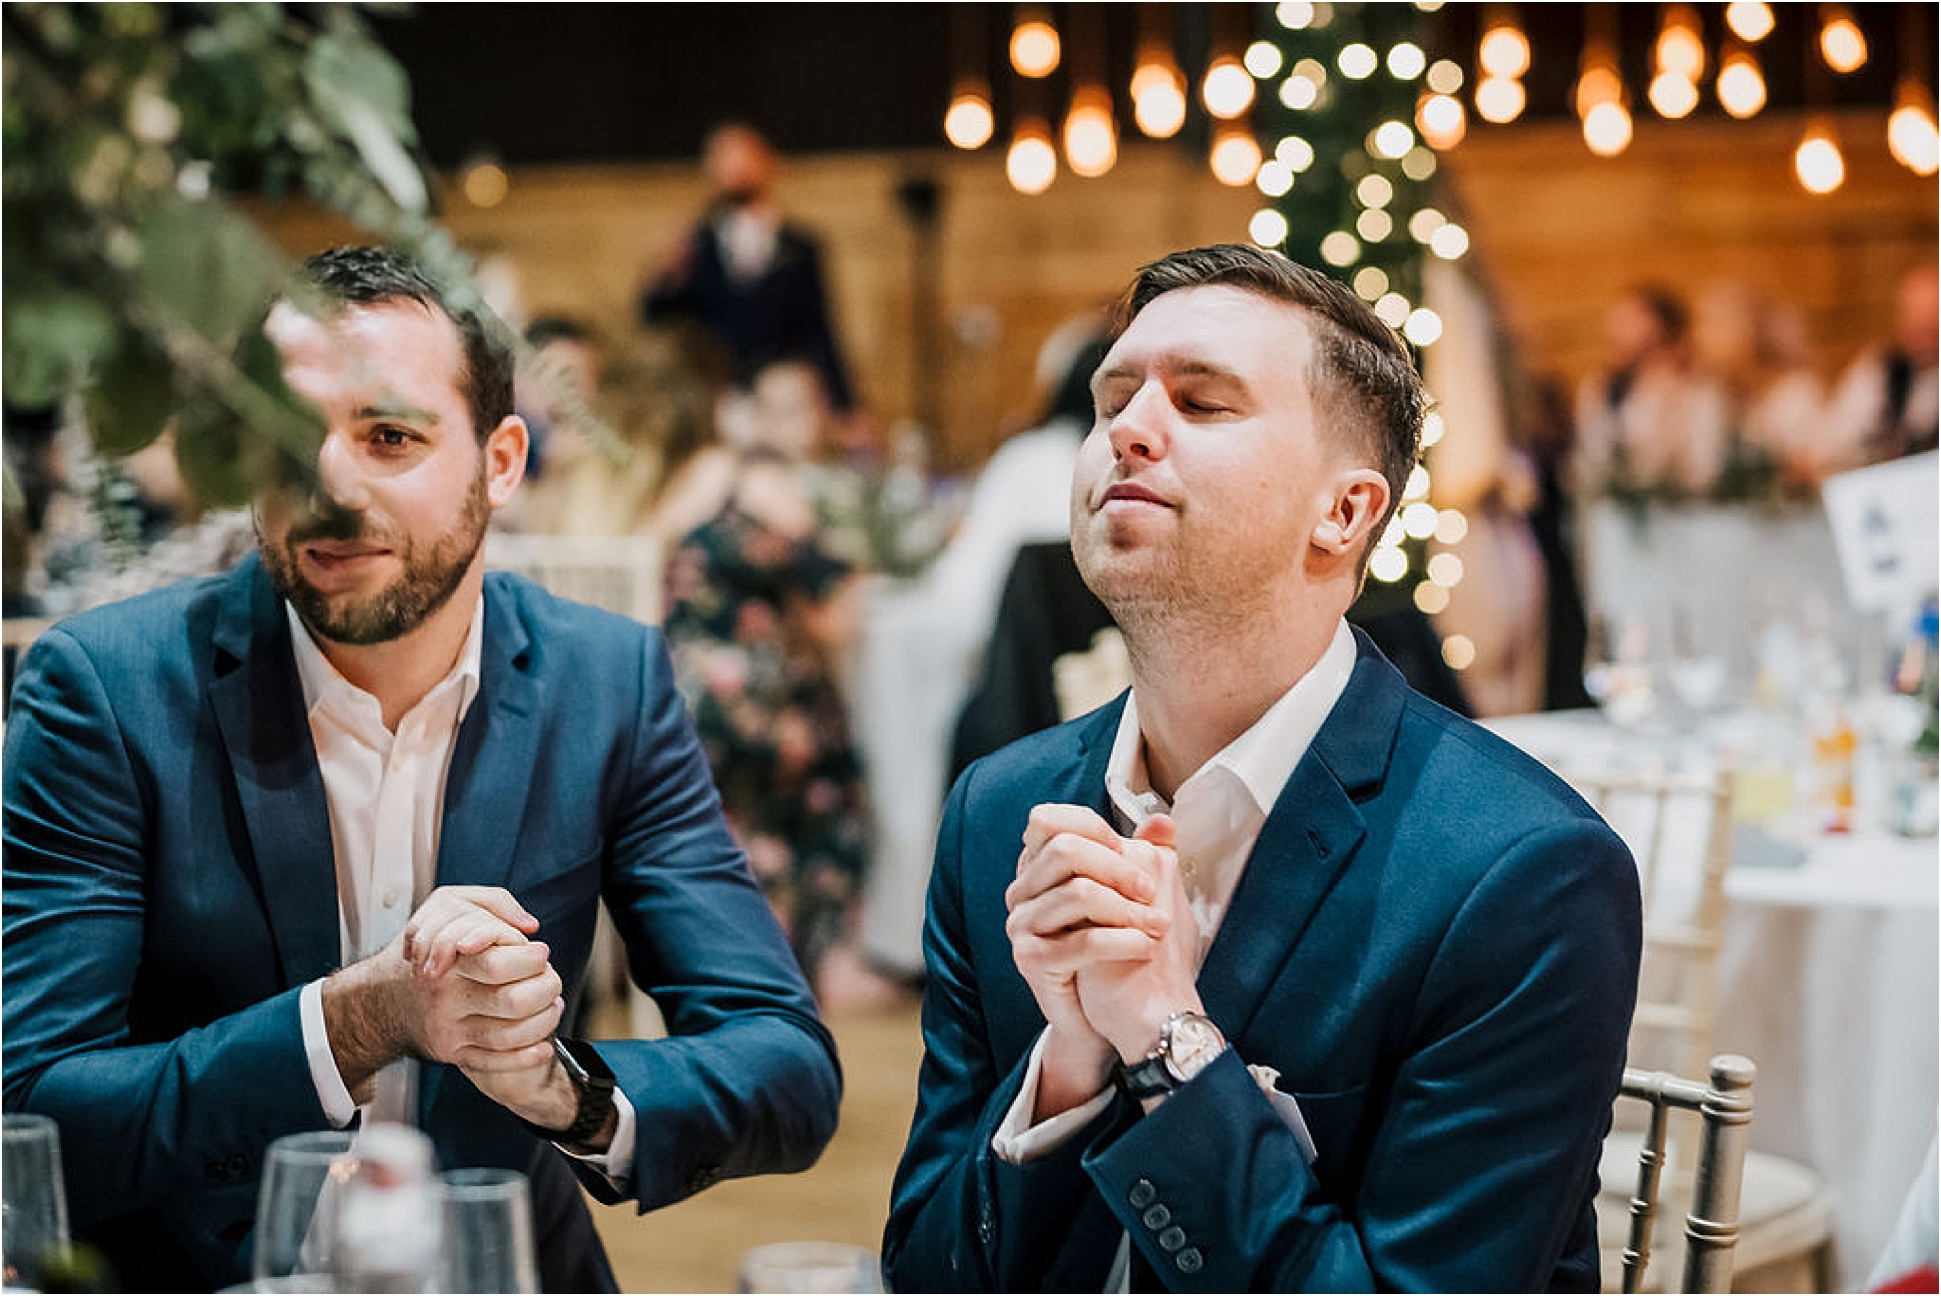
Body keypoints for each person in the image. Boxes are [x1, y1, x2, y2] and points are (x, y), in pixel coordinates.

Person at [2, 246, 842, 1293]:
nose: (326, 484)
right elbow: (27, 1110)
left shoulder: (606, 681)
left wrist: (564, 1091)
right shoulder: (108, 689)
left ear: (501, 462)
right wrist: (360, 1020)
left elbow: (788, 1064)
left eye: (388, 436)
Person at [883, 244, 1642, 1290]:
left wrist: (1164, 1039)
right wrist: (1065, 1074)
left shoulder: (1520, 874)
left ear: (1345, 512)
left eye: (1202, 404)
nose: (1128, 431)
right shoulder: (1000, 810)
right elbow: (927, 1274)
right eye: (1115, 401)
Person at [640, 123, 857, 414]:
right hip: (713, 395)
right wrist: (665, 278)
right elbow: (658, 321)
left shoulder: (801, 247)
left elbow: (820, 330)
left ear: (768, 163)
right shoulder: (695, 245)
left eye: (745, 158)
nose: (736, 169)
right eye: (725, 160)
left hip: (782, 398)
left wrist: (845, 406)